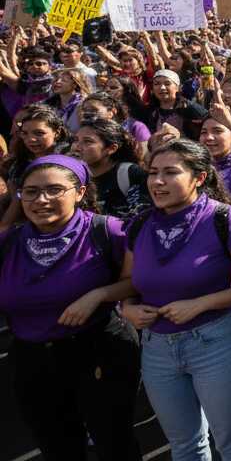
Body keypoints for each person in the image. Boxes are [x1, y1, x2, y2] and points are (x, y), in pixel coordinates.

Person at [120, 139, 231, 461]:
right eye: (153, 172)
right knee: (185, 444)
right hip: (157, 349)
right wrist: (126, 308)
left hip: (217, 341)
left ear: (199, 177)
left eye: (171, 172)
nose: (158, 181)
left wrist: (201, 304)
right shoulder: (139, 225)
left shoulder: (226, 220)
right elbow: (128, 284)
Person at [0, 155, 142, 461]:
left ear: (79, 192)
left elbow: (139, 282)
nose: (41, 200)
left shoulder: (109, 231)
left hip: (100, 349)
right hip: (31, 359)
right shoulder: (9, 243)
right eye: (31, 191)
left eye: (54, 190)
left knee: (113, 443)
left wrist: (99, 294)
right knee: (57, 447)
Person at [71, 118, 151, 219]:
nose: (76, 147)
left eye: (87, 141)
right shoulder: (77, 178)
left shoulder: (131, 174)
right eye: (76, 140)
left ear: (111, 148)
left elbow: (140, 218)